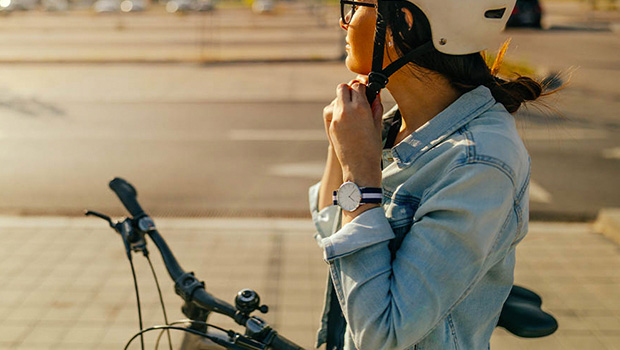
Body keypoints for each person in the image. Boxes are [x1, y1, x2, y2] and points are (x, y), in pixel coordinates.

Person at [308, 0, 544, 349]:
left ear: (401, 22)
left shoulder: (478, 163)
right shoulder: (397, 127)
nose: (345, 23)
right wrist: (340, 146)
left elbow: (382, 334)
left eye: (357, 6)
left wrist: (358, 172)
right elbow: (330, 228)